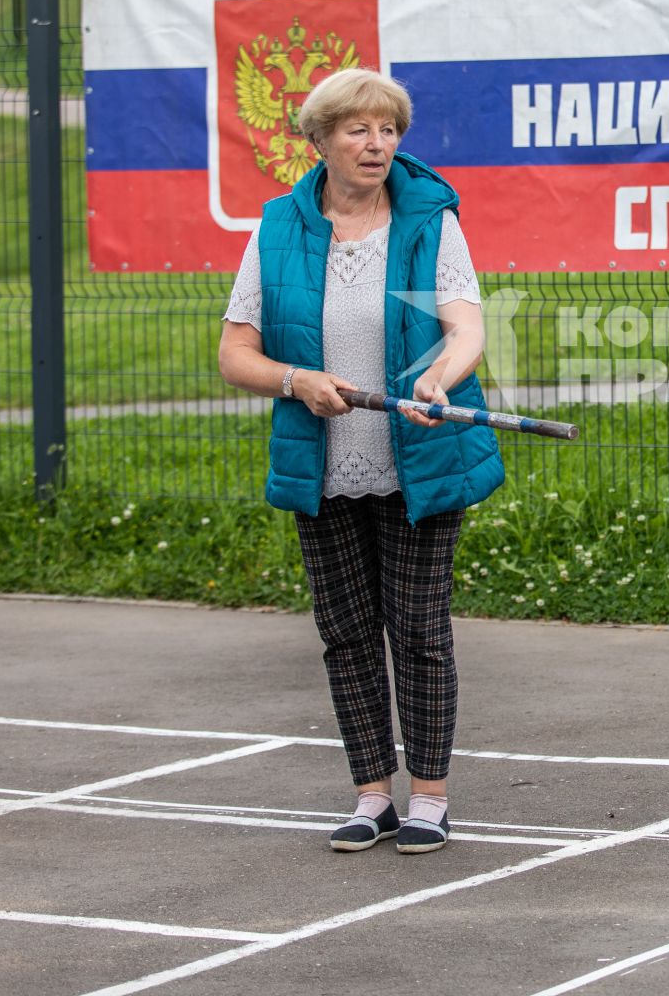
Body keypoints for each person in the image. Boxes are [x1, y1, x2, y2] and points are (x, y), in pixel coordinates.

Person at [218, 67, 504, 855]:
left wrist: (438, 379)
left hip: (420, 459)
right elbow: (235, 352)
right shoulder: (278, 228)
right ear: (319, 141)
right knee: (345, 632)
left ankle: (430, 798)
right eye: (358, 130)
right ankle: (372, 792)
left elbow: (466, 328)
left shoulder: (428, 219)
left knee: (415, 629)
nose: (377, 144)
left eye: (388, 130)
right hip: (325, 465)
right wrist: (296, 380)